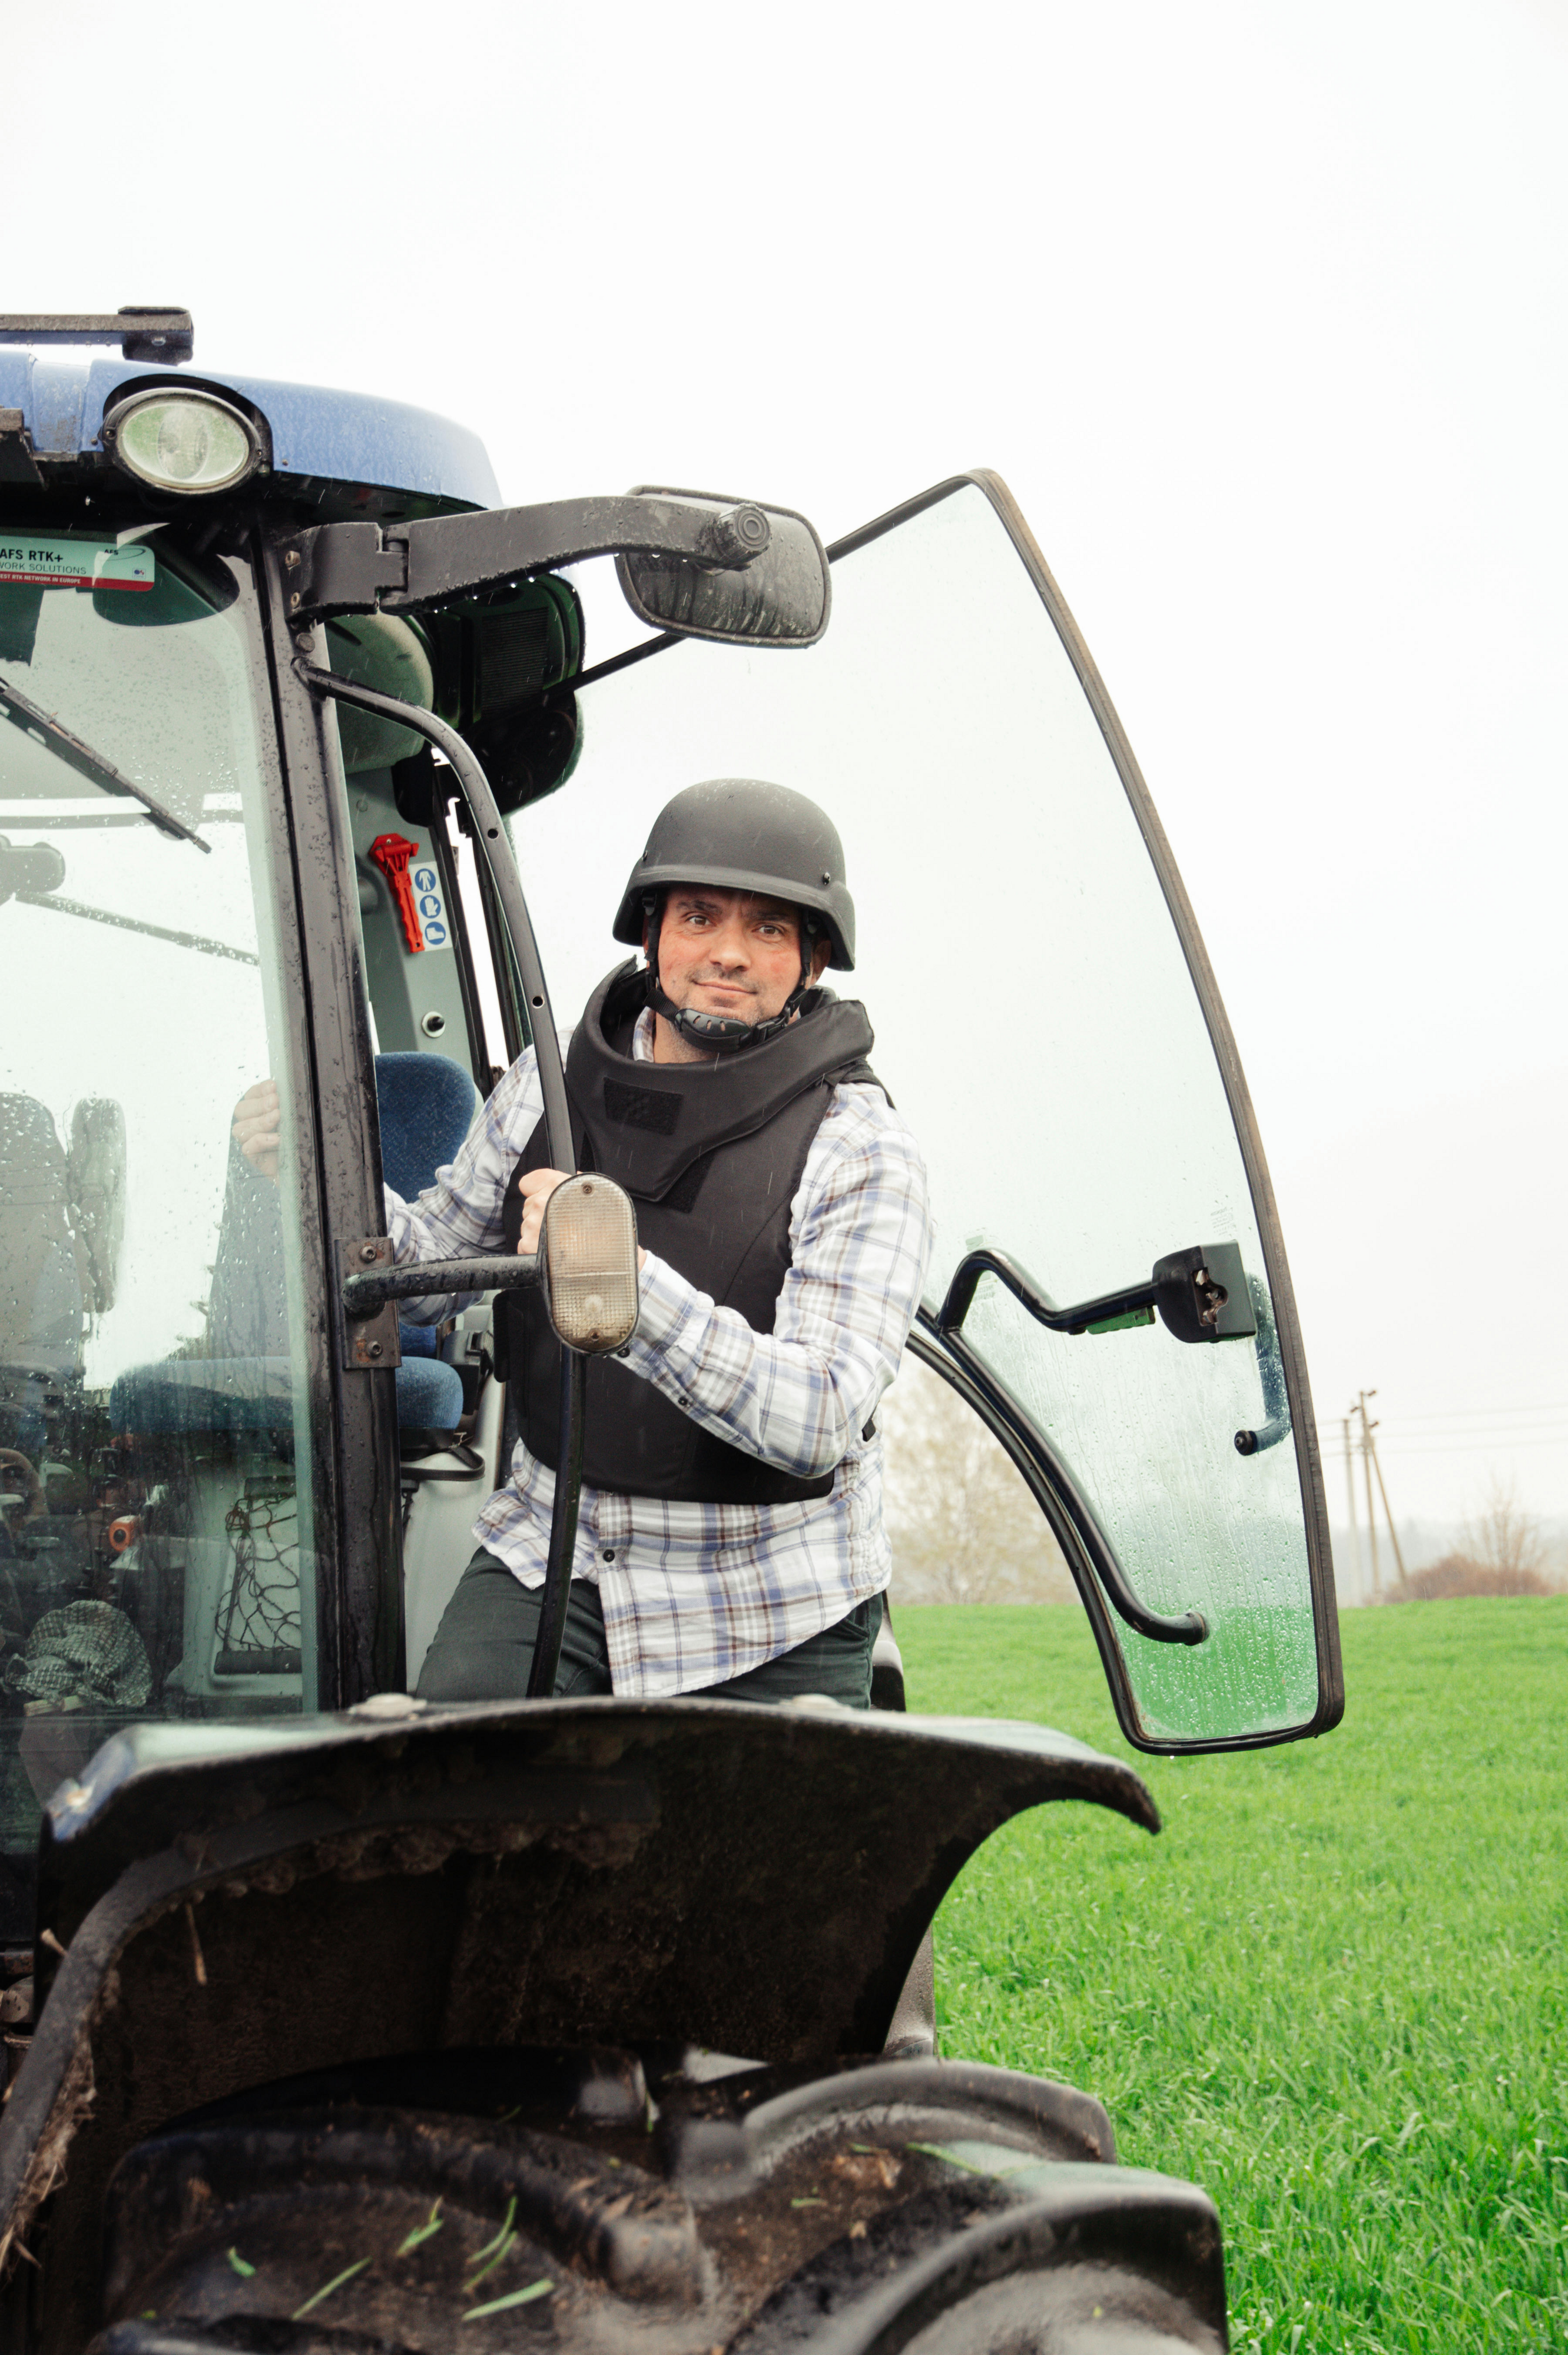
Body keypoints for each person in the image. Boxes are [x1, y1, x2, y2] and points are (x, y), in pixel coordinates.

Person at [237, 779, 933, 1707]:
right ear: (650, 934)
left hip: (768, 1600)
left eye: (769, 929)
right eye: (698, 917)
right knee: (444, 1788)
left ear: (812, 962)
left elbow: (819, 1419)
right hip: (552, 1549)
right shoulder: (546, 1084)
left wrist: (617, 1287)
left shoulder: (861, 1146)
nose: (728, 952)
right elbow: (427, 1276)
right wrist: (320, 1179)